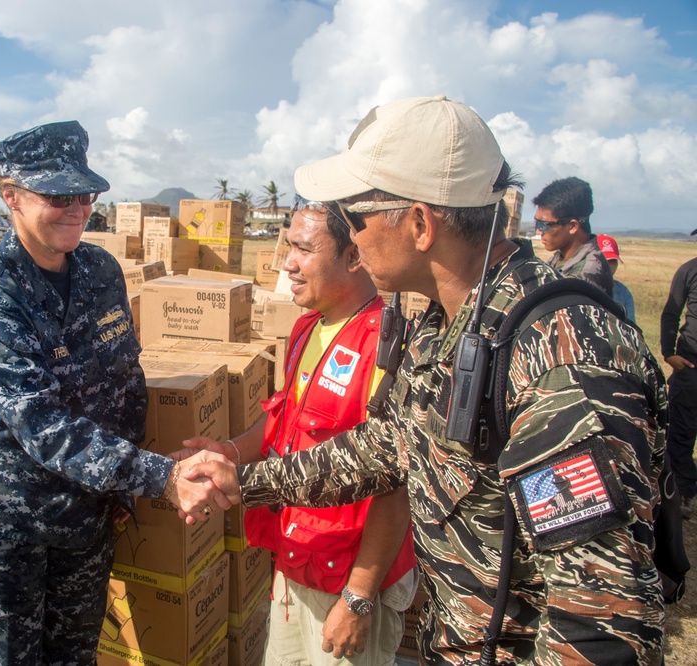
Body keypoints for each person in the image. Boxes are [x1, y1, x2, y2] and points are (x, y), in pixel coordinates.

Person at [179, 96, 668, 664]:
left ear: (418, 223)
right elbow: (389, 447)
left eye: (356, 221)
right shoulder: (450, 320)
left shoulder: (560, 357)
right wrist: (248, 481)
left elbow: (602, 617)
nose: (353, 240)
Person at [0, 120, 228, 665]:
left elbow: (125, 383)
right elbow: (40, 424)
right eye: (57, 195)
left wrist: (118, 490)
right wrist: (157, 476)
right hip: (7, 517)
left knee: (76, 656)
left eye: (85, 194)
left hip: (83, 512)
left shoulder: (99, 269)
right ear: (11, 196)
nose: (77, 208)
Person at [181, 195, 416, 665]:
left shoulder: (386, 347)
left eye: (304, 249)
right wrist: (228, 450)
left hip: (349, 580)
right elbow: (283, 416)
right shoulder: (309, 327)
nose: (287, 263)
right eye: (288, 246)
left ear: (354, 256)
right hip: (297, 561)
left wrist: (359, 598)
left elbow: (398, 484)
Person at [661, 244, 697, 518]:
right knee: (680, 432)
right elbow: (671, 313)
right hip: (690, 366)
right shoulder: (689, 270)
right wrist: (669, 353)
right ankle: (683, 491)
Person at [534, 176, 614, 296]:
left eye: (543, 225)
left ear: (572, 226)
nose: (538, 232)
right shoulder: (560, 258)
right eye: (536, 223)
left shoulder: (585, 276)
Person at [596, 233, 636, 322]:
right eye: (604, 260)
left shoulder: (623, 292)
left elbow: (631, 327)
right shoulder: (580, 287)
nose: (609, 266)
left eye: (613, 261)